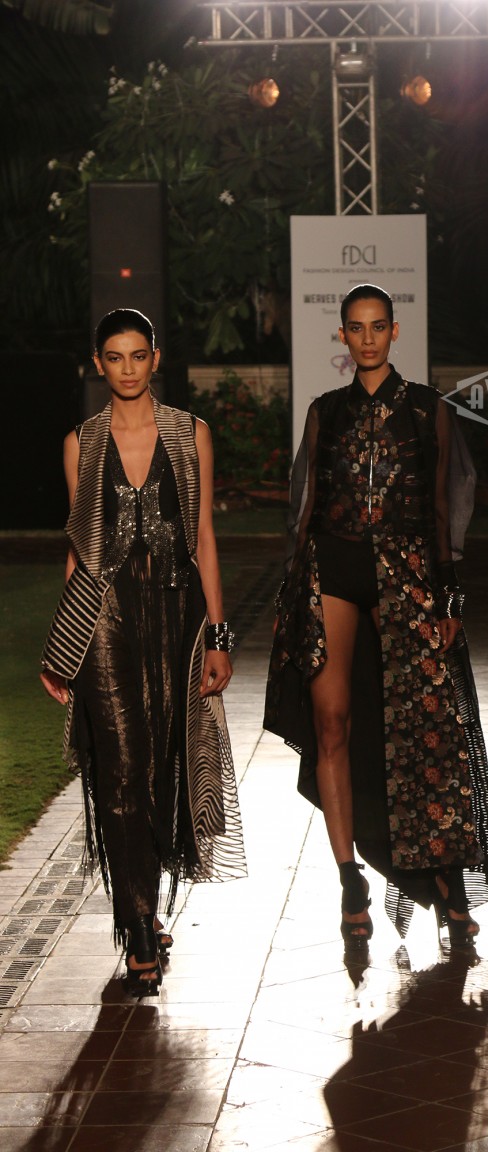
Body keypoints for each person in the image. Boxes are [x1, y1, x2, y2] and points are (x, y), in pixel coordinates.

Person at [264, 283, 488, 950]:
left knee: (427, 727)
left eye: (378, 326)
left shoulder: (428, 410)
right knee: (331, 722)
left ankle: (447, 883)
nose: (367, 338)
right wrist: (290, 597)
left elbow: (444, 507)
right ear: (342, 334)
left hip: (406, 572)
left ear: (394, 331)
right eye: (356, 327)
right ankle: (350, 879)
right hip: (332, 569)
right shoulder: (325, 412)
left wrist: (448, 596)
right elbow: (304, 510)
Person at [40, 309, 246, 995]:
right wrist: (64, 648)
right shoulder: (81, 444)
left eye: (138, 355)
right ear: (98, 364)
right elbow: (79, 554)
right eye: (114, 357)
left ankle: (144, 906)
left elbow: (204, 539)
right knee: (122, 771)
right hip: (104, 617)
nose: (127, 368)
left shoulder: (190, 434)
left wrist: (218, 636)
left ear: (156, 358)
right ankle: (137, 933)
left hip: (177, 617)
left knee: (162, 770)